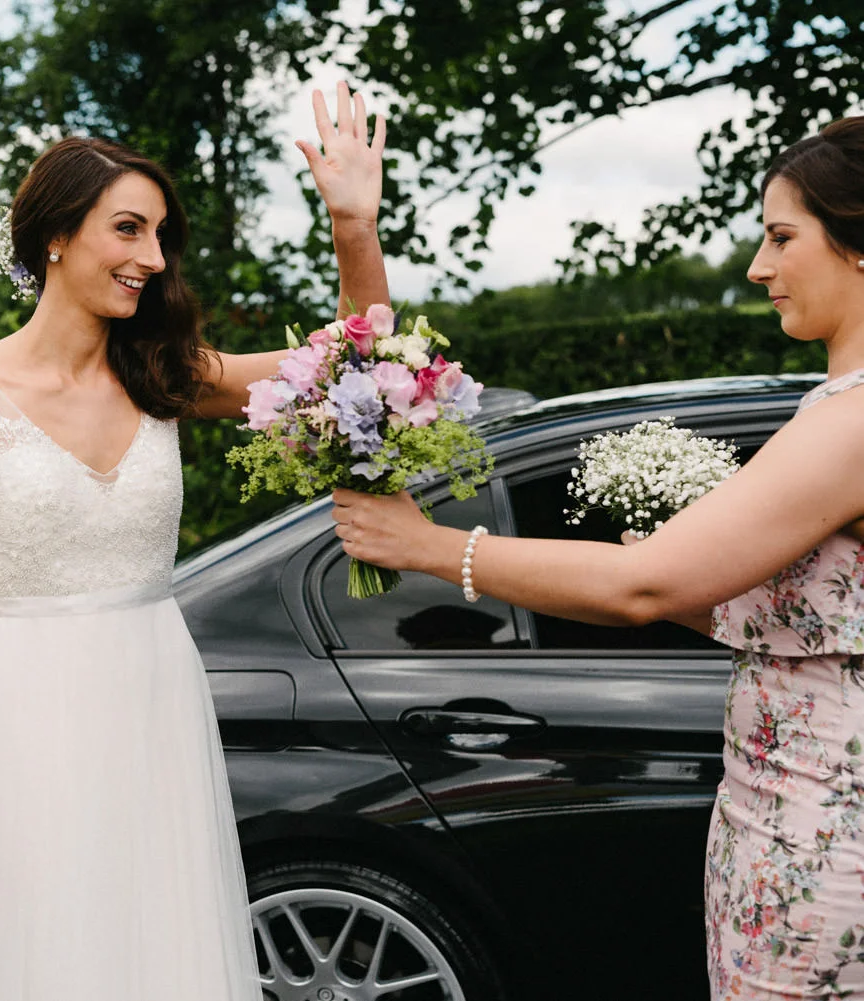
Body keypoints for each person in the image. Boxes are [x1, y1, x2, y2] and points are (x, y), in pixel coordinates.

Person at [0, 84, 389, 1000]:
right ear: (56, 237)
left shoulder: (167, 375)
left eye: (158, 236)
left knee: (162, 949)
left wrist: (354, 226)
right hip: (28, 711)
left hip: (156, 693)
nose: (152, 258)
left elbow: (363, 368)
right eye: (128, 230)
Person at [330, 117, 864, 999]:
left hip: (827, 835)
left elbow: (641, 586)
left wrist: (429, 546)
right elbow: (790, 618)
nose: (757, 268)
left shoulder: (849, 423)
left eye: (780, 237)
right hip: (780, 818)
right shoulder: (830, 409)